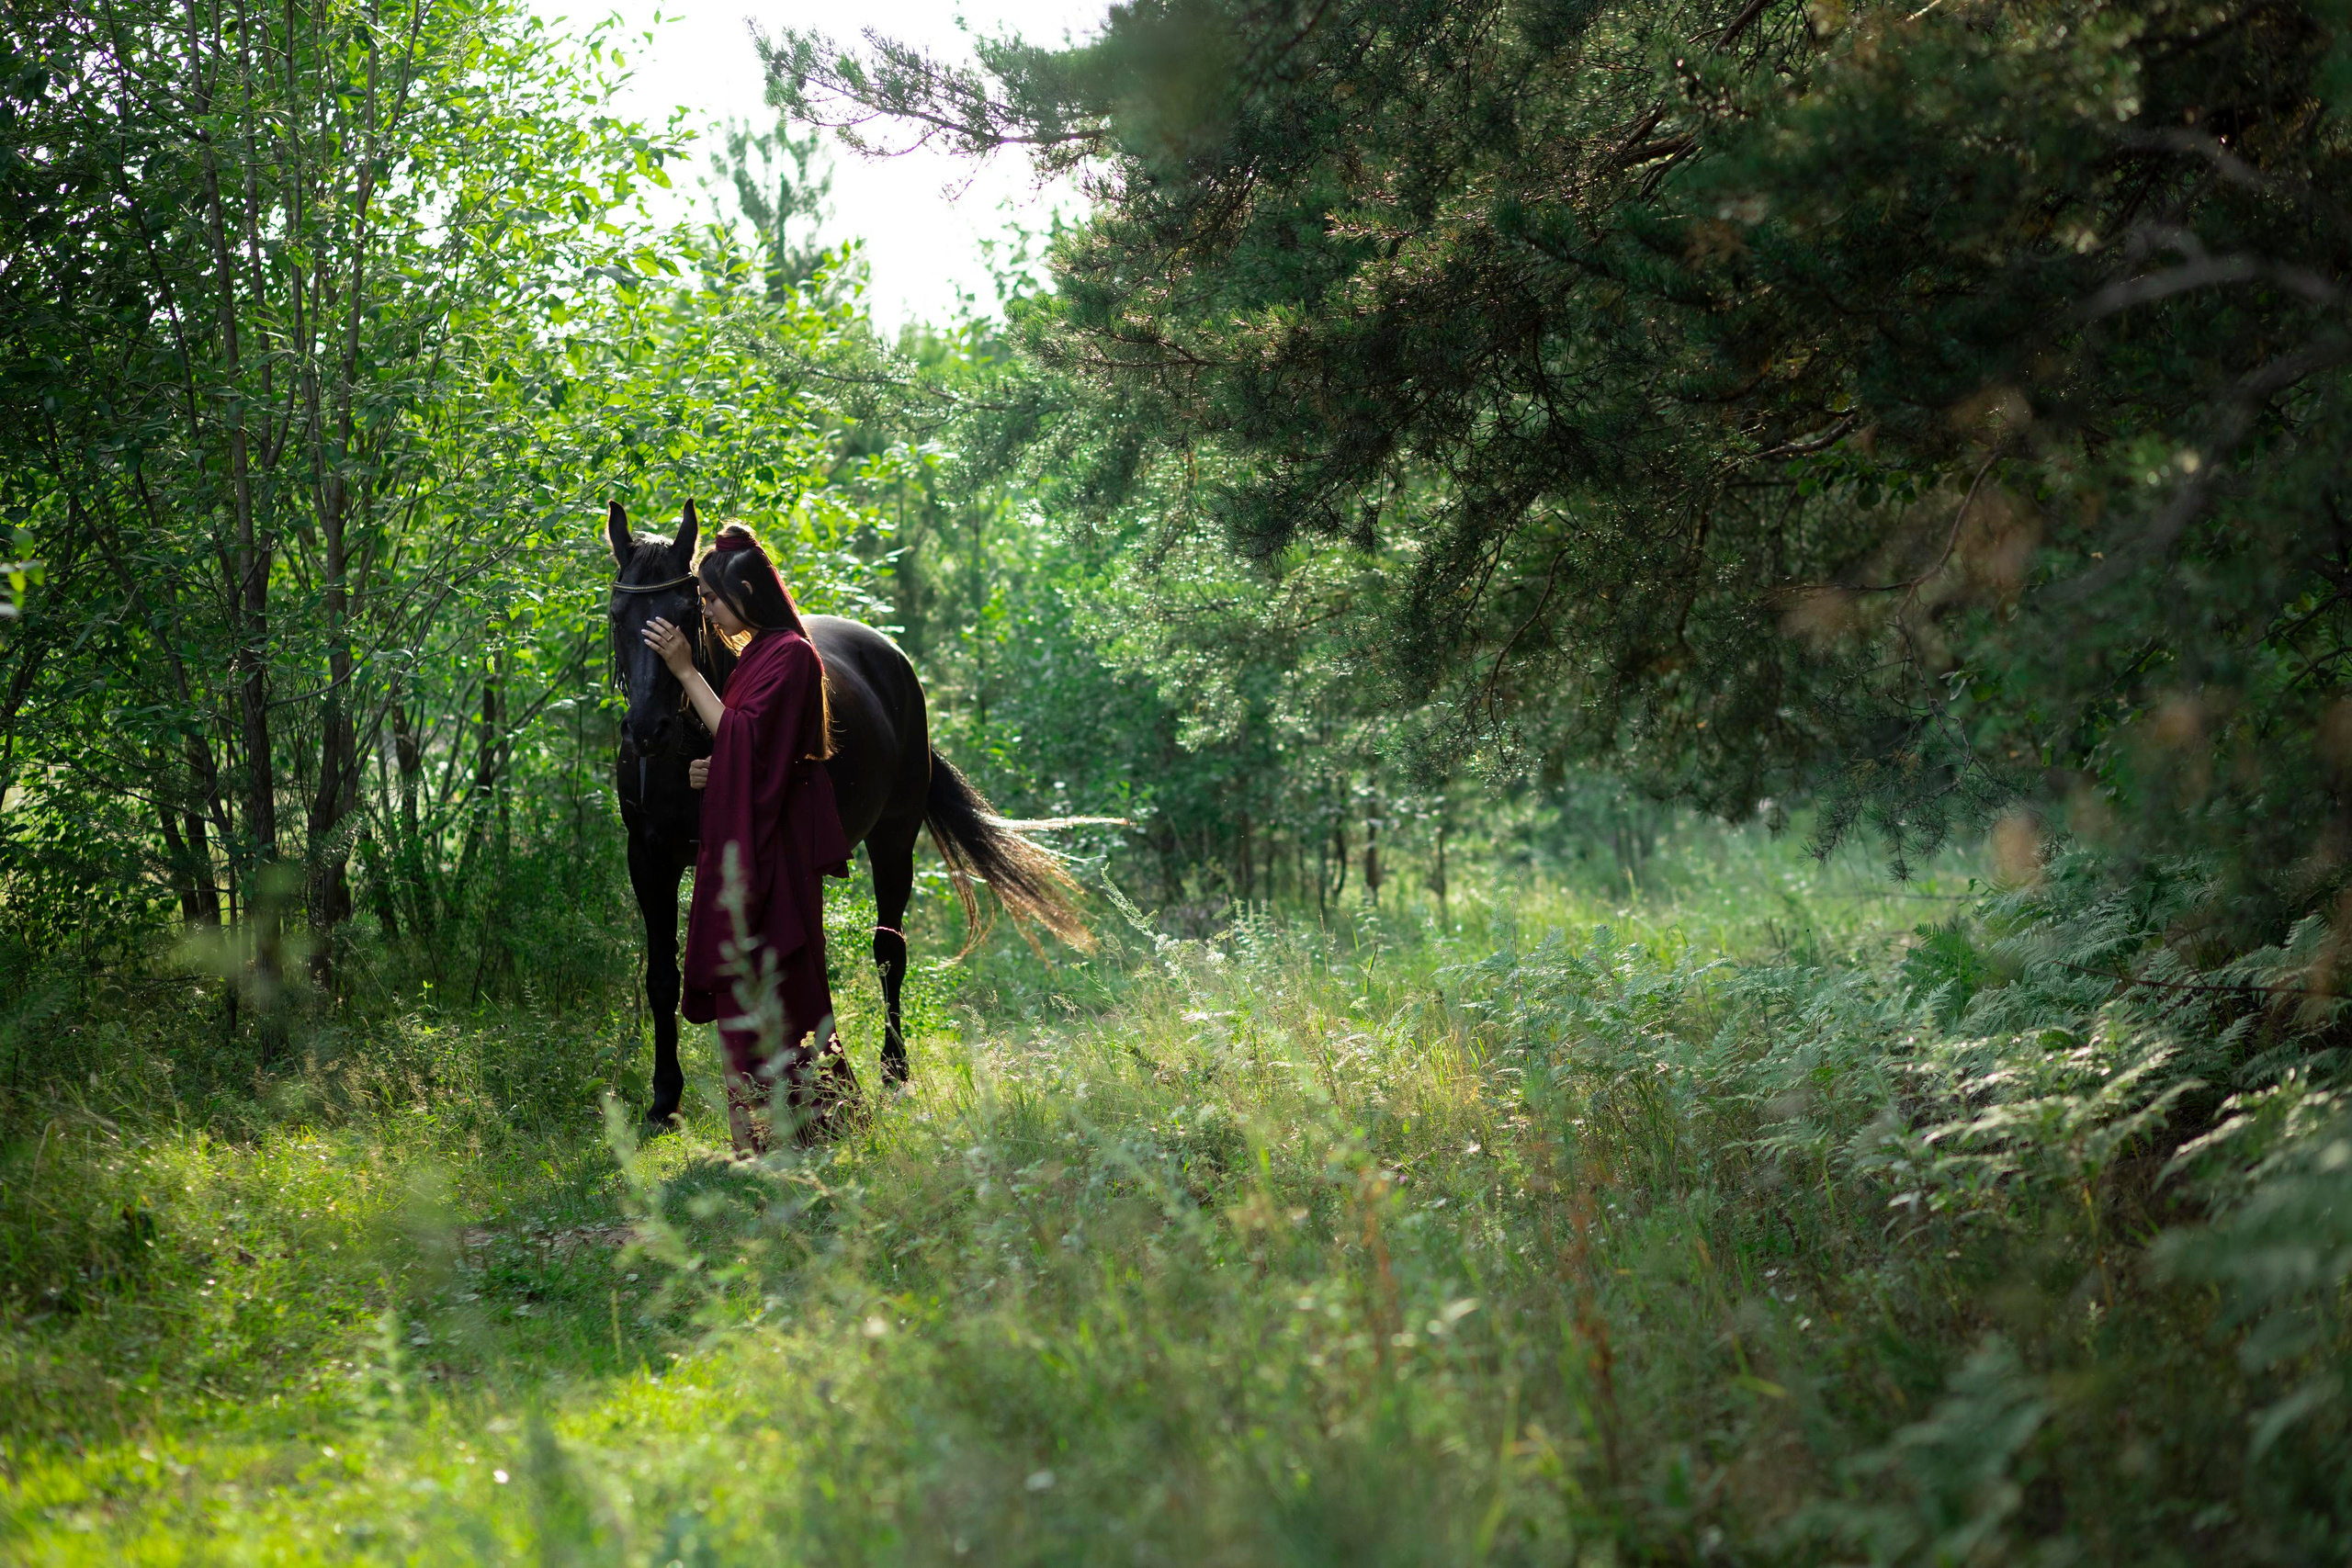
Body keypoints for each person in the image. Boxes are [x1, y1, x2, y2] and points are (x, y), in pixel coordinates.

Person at [642, 522, 856, 1156]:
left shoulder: (791, 653)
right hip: (755, 832)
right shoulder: (758, 653)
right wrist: (712, 768)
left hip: (779, 848)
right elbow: (748, 746)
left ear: (744, 591)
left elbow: (748, 738)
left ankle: (813, 1128)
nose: (706, 610)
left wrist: (684, 669)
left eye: (711, 598)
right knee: (748, 978)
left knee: (782, 976)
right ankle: (765, 1138)